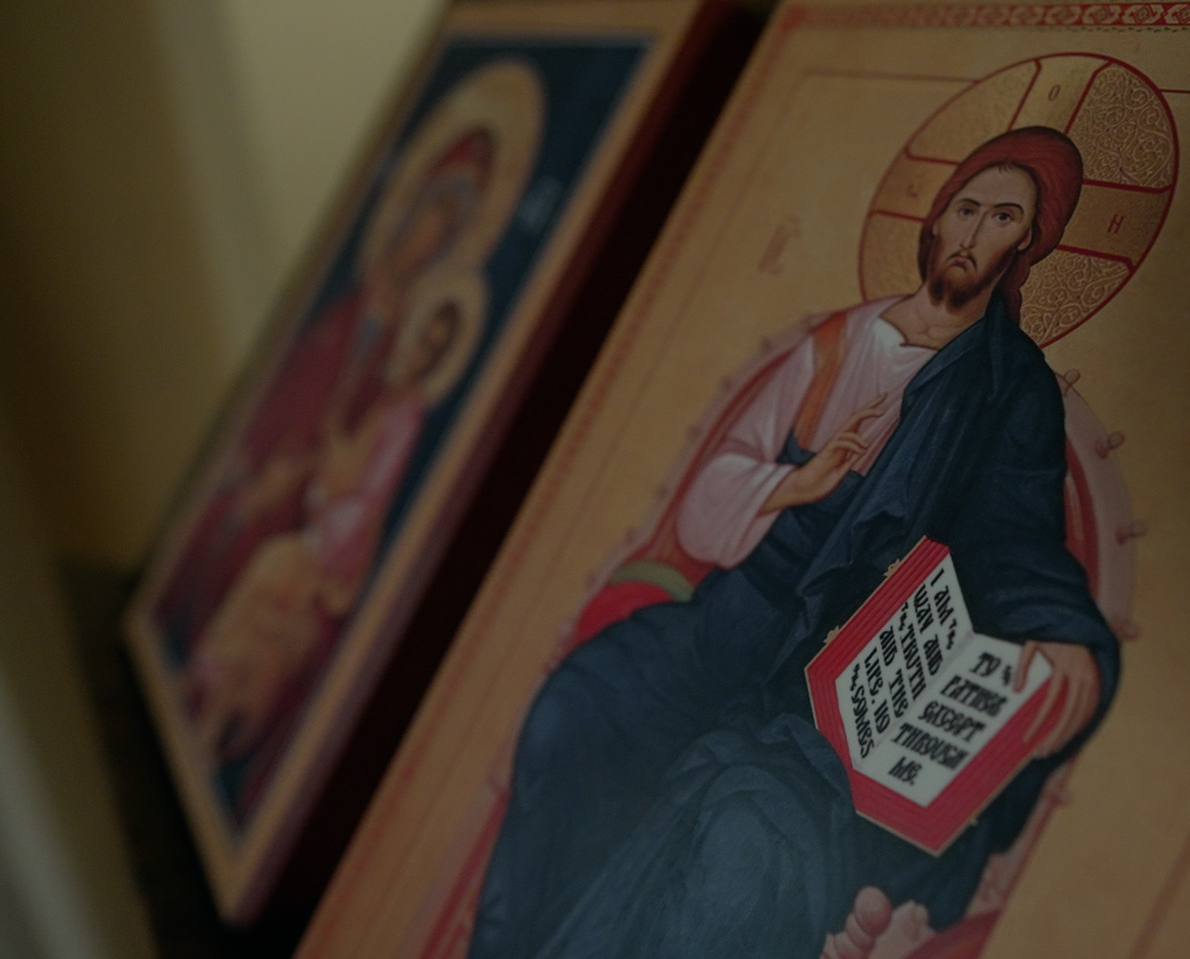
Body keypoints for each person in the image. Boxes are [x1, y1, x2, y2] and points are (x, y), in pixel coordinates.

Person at [470, 126, 1121, 959]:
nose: (973, 232)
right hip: (728, 623)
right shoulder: (838, 343)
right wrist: (797, 485)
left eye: (1002, 218)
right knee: (576, 710)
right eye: (966, 208)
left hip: (829, 666)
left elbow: (1010, 534)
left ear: (1025, 244)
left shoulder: (1006, 384)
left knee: (744, 839)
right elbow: (707, 506)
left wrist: (1060, 627)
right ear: (934, 219)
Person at [155, 128, 494, 658]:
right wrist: (263, 472)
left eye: (444, 231)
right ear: (408, 212)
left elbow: (363, 469)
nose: (426, 238)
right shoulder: (347, 303)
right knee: (222, 524)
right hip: (268, 469)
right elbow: (290, 392)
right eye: (428, 216)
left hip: (318, 510)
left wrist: (313, 481)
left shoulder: (403, 354)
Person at [185, 287, 469, 775]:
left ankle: (221, 725)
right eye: (422, 336)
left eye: (433, 347)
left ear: (438, 360)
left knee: (275, 600)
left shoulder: (407, 416)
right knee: (266, 573)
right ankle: (205, 701)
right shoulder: (382, 391)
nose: (420, 350)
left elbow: (368, 495)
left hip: (336, 554)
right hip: (320, 532)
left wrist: (329, 495)